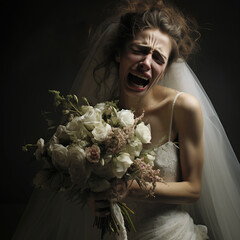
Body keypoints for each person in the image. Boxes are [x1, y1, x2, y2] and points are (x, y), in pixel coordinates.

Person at [12, 0, 240, 240]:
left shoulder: (183, 108)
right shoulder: (95, 119)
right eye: (140, 49)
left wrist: (129, 188)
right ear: (119, 54)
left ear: (164, 70)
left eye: (158, 58)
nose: (146, 63)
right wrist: (93, 197)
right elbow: (87, 180)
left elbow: (193, 190)